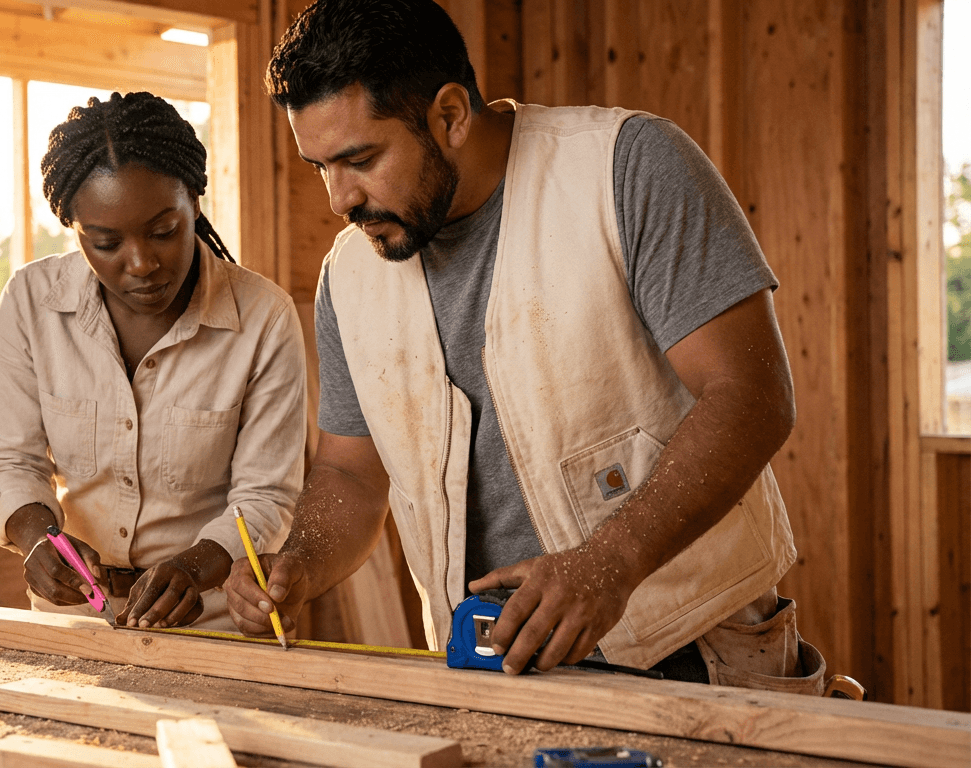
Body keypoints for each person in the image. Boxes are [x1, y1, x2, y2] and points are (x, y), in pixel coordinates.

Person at [224, 0, 826, 692]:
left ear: (450, 115)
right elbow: (351, 476)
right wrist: (302, 557)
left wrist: (609, 562)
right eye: (318, 166)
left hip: (695, 654)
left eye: (359, 159)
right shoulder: (350, 275)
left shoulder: (626, 169)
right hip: (485, 670)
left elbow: (751, 399)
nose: (338, 198)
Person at [0, 91, 307, 631]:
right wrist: (40, 538)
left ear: (195, 203)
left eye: (164, 231)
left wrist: (193, 568)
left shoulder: (264, 317)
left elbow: (266, 494)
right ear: (75, 229)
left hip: (213, 618)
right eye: (105, 241)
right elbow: (12, 462)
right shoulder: (30, 302)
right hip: (75, 619)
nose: (142, 263)